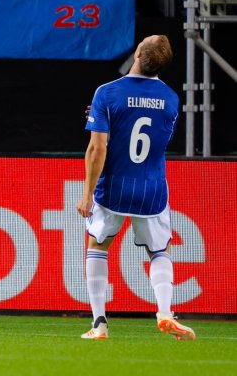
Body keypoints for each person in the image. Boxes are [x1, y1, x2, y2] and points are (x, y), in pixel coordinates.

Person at [76, 35, 194, 341]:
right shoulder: (170, 98)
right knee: (159, 251)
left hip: (114, 187)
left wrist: (87, 193)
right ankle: (165, 312)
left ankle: (99, 323)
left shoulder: (107, 93)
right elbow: (158, 141)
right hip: (152, 190)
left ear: (138, 53)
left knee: (98, 246)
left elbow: (97, 149)